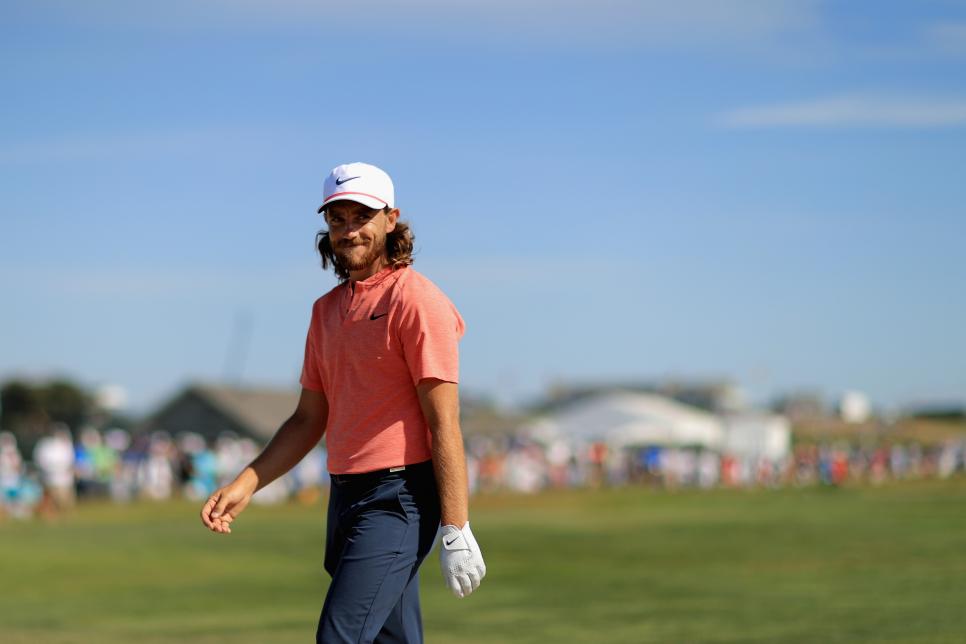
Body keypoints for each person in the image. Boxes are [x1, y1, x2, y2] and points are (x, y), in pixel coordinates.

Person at [200, 162, 486, 643]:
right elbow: (309, 418)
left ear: (390, 219)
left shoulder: (417, 301)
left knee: (340, 637)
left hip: (400, 499)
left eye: (362, 216)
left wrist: (456, 526)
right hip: (347, 496)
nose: (349, 230)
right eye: (338, 219)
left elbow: (444, 423)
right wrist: (247, 483)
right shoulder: (325, 312)